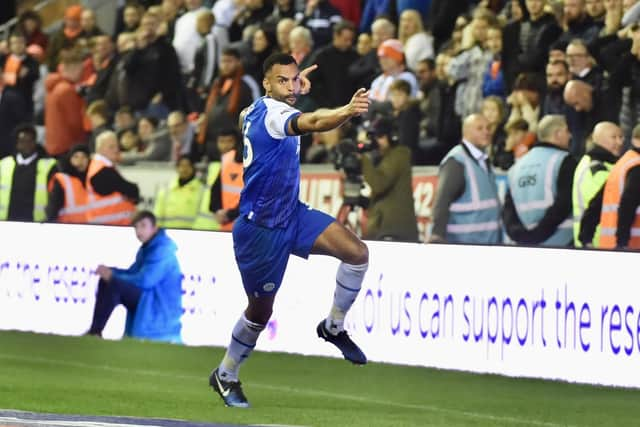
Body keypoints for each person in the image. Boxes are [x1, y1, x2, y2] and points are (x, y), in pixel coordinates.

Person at [209, 53, 370, 408]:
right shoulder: (275, 115)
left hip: (291, 214)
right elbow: (311, 122)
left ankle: (333, 327)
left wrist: (293, 94)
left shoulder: (253, 110)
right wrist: (345, 111)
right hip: (261, 229)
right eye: (283, 80)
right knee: (260, 313)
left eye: (295, 79)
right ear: (266, 83)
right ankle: (225, 373)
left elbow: (249, 118)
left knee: (357, 253)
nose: (292, 85)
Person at [88, 210, 183, 343]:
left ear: (154, 228)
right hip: (147, 299)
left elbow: (145, 281)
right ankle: (94, 332)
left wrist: (113, 276)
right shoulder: (147, 249)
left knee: (113, 284)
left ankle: (95, 332)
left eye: (143, 226)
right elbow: (133, 273)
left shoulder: (163, 251)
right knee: (107, 281)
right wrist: (111, 272)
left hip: (157, 306)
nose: (139, 231)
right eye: (136, 227)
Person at [502, 115, 578, 247]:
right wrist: (538, 234)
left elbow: (508, 209)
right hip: (562, 242)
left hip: (526, 244)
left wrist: (522, 236)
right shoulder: (564, 160)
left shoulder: (517, 167)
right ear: (558, 133)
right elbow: (565, 203)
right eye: (567, 131)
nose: (570, 136)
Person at [429, 114, 502, 244]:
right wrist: (437, 236)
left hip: (487, 243)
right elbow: (442, 201)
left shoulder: (483, 161)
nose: (486, 132)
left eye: (488, 128)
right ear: (466, 132)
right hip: (465, 244)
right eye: (479, 128)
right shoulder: (457, 161)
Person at [361, 117, 418, 242]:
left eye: (381, 136)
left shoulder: (399, 154)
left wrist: (362, 160)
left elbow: (379, 184)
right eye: (374, 137)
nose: (377, 141)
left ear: (392, 136)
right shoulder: (382, 159)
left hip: (395, 231)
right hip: (385, 229)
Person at [586, 123, 640, 249]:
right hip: (632, 249)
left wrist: (586, 236)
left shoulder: (621, 164)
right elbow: (627, 204)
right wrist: (622, 244)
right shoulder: (636, 166)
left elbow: (596, 203)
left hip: (610, 247)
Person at [573, 122, 623, 247]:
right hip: (596, 242)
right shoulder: (595, 167)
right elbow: (611, 200)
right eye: (614, 137)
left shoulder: (602, 163)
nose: (620, 142)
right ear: (598, 139)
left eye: (621, 137)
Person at [0, 123, 56, 222]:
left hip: (37, 222)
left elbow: (55, 195)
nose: (26, 145)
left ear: (35, 142)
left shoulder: (49, 165)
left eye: (29, 141)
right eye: (22, 141)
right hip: (7, 221)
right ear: (17, 143)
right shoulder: (4, 164)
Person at [194, 127, 244, 231]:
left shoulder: (245, 163)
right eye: (221, 141)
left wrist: (229, 214)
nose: (225, 146)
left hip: (233, 224)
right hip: (211, 224)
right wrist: (217, 211)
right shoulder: (215, 164)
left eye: (229, 141)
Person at [86, 131, 139, 225]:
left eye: (117, 146)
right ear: (100, 149)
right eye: (111, 147)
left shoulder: (100, 166)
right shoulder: (102, 170)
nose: (116, 150)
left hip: (109, 223)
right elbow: (132, 190)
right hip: (108, 225)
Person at [154, 155, 205, 229]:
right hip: (167, 234)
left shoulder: (202, 190)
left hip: (191, 235)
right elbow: (158, 216)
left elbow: (202, 218)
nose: (184, 169)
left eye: (188, 166)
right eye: (181, 166)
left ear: (194, 168)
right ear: (177, 168)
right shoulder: (166, 190)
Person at [46, 144, 91, 223]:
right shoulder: (63, 180)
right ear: (70, 159)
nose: (80, 160)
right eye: (76, 157)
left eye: (84, 157)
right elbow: (52, 210)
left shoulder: (93, 178)